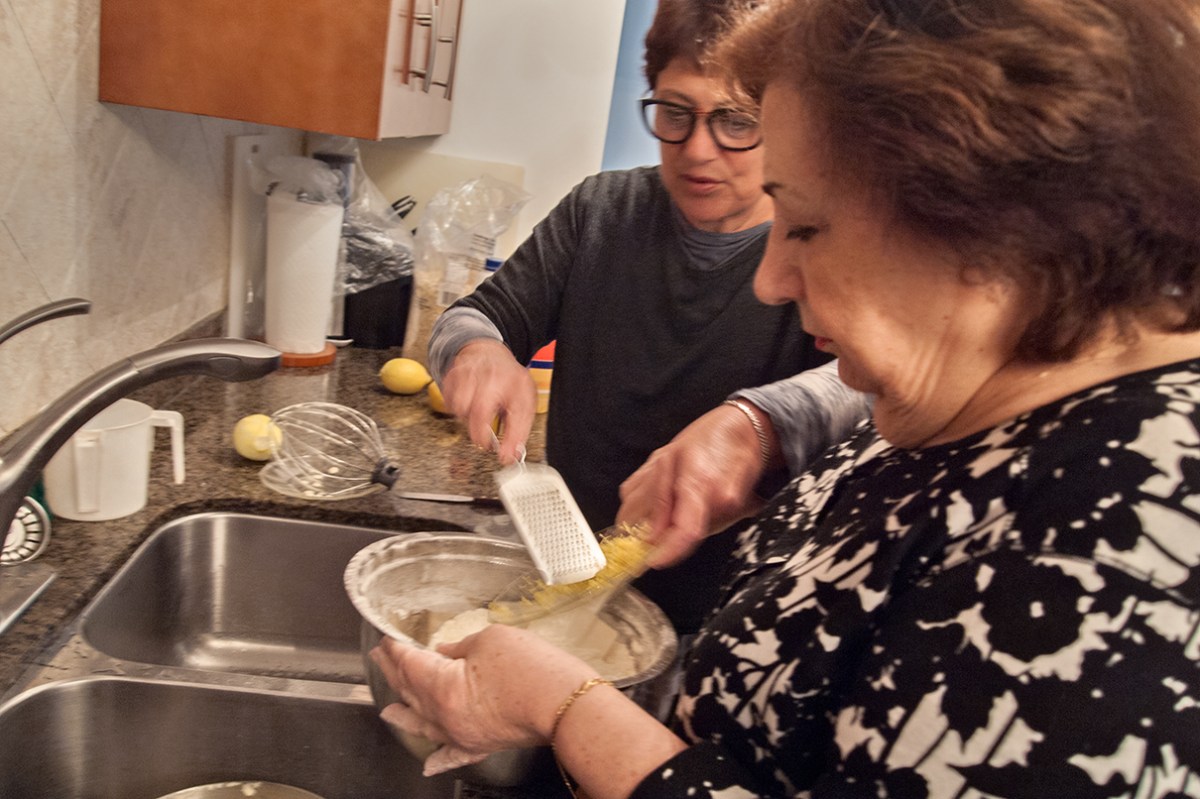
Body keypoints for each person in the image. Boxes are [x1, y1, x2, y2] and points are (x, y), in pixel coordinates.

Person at [372, 0, 1200, 795]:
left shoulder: (1121, 545)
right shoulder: (957, 402)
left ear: (988, 228)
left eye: (804, 225)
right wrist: (761, 462)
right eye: (676, 114)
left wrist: (570, 709)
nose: (771, 280)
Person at [427, 0, 868, 634]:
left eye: (735, 122)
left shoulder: (822, 246)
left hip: (732, 616)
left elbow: (866, 390)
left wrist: (755, 424)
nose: (697, 148)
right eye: (674, 113)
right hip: (575, 583)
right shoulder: (602, 212)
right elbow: (469, 318)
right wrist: (475, 351)